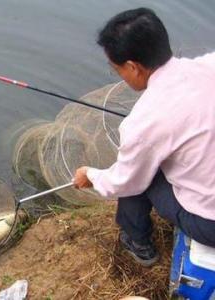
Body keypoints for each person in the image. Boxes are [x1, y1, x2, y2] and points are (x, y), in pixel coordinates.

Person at [74, 7, 215, 267]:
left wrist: (90, 175)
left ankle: (138, 242)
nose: (120, 75)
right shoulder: (209, 65)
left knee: (140, 177)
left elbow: (124, 181)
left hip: (209, 224)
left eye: (117, 69)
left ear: (133, 67)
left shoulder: (143, 123)